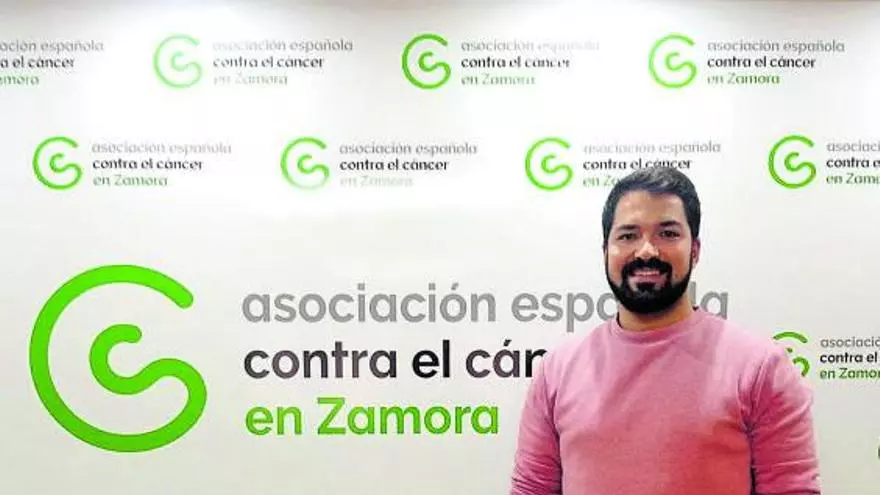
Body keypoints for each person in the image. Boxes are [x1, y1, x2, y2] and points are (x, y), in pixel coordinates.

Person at [509, 167, 821, 494]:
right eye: (628, 235)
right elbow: (532, 489)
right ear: (605, 251)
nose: (646, 250)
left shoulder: (760, 368)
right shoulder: (557, 371)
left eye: (667, 234)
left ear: (695, 250)